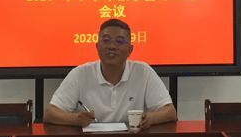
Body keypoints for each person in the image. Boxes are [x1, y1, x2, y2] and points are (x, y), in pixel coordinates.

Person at [44, 18, 177, 130]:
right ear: (97, 46)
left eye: (120, 41)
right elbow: (50, 113)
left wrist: (149, 118)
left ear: (130, 49)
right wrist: (75, 119)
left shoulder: (143, 72)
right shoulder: (80, 73)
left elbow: (170, 112)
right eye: (106, 40)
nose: (112, 46)